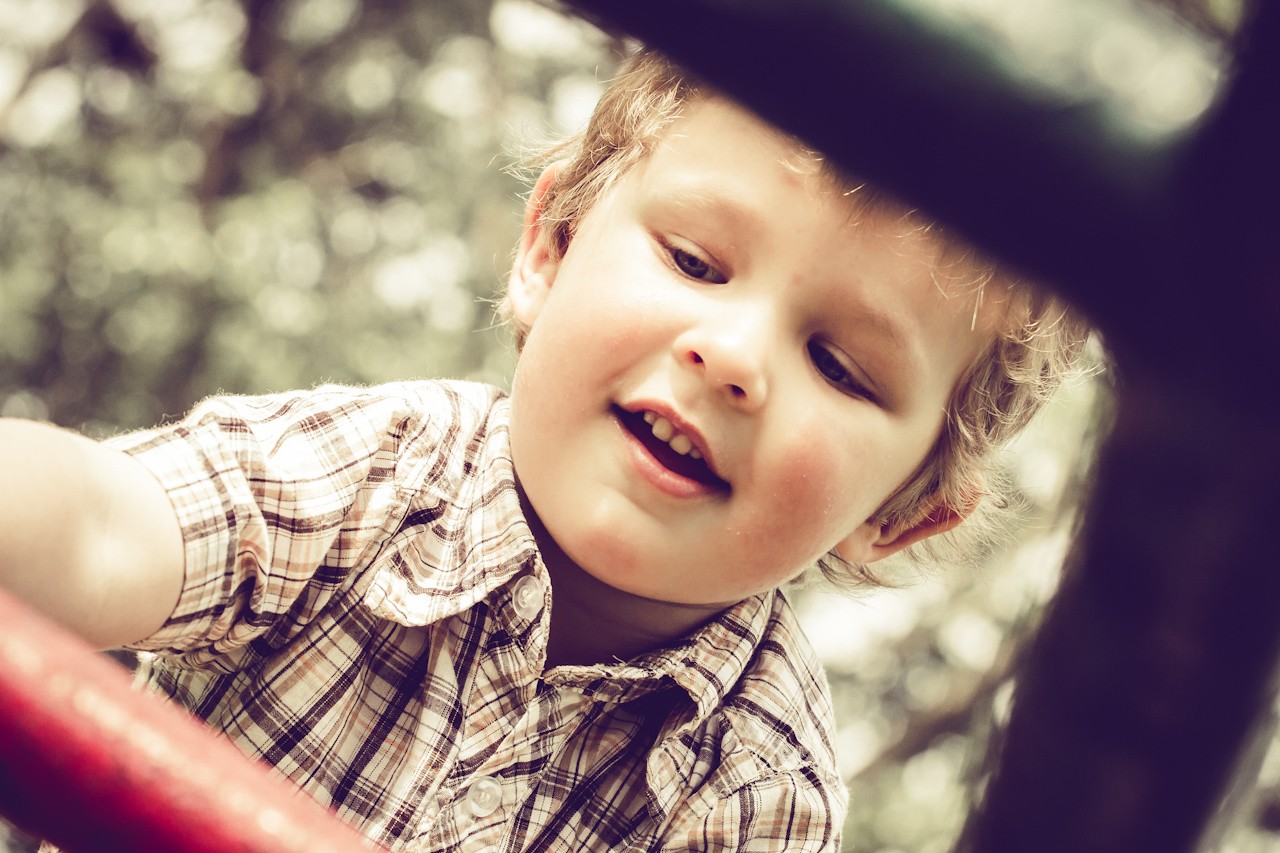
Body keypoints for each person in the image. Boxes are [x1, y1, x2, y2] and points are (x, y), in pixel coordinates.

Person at [0, 48, 1087, 851]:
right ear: (549, 248)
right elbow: (100, 525)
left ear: (898, 513)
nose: (730, 357)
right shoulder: (373, 476)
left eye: (841, 366)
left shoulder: (756, 789)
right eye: (696, 261)